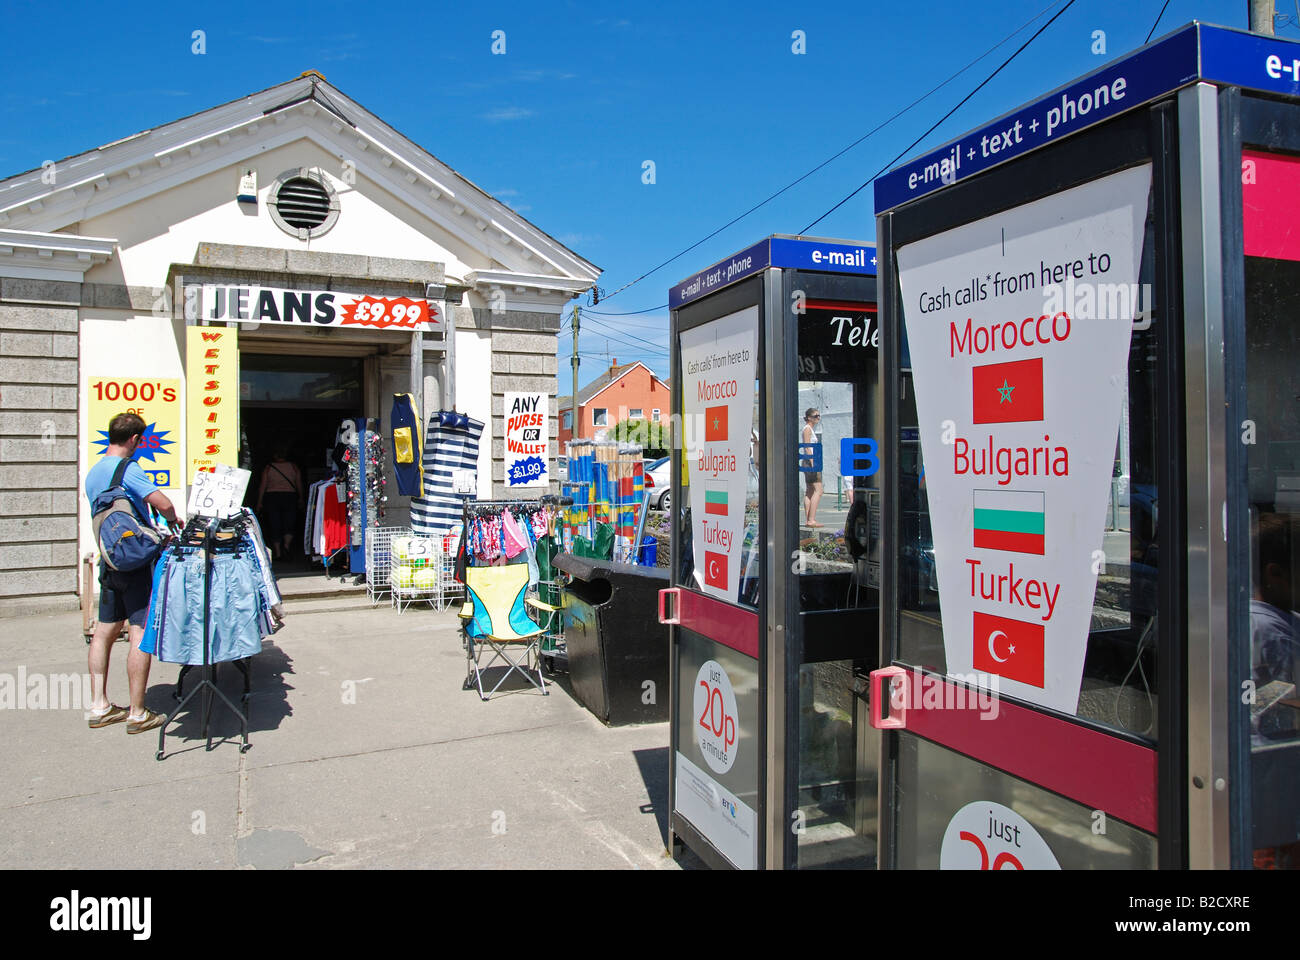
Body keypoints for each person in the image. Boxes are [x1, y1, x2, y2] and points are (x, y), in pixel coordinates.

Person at [84, 412, 182, 734]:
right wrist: (174, 519)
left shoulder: (94, 473)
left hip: (109, 561)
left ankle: (100, 706)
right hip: (135, 565)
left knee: (103, 632)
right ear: (135, 440)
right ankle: (138, 713)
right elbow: (163, 503)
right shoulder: (128, 469)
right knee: (138, 634)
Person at [256, 446, 304, 560]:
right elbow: (299, 484)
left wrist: (259, 501)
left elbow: (263, 485)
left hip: (272, 497)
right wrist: (301, 498)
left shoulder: (269, 468)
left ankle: (277, 552)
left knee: (274, 523)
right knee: (289, 522)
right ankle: (286, 546)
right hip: (289, 496)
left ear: (275, 456)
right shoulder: (293, 467)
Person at [802, 408, 824, 527]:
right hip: (810, 462)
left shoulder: (809, 429)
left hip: (809, 461)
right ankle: (811, 519)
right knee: (818, 490)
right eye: (816, 416)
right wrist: (813, 462)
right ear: (809, 418)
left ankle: (809, 519)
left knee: (810, 490)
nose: (818, 418)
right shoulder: (807, 429)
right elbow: (807, 447)